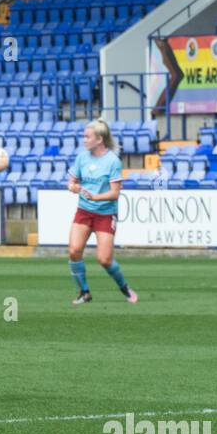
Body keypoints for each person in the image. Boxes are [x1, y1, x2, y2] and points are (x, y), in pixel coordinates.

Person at [67, 119, 137, 304]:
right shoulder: (82, 158)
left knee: (104, 259)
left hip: (105, 214)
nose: (84, 140)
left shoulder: (113, 161)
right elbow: (72, 182)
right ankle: (84, 292)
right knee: (74, 251)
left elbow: (115, 194)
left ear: (99, 139)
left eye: (87, 137)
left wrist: (94, 197)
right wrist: (73, 187)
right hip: (84, 211)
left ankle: (124, 287)